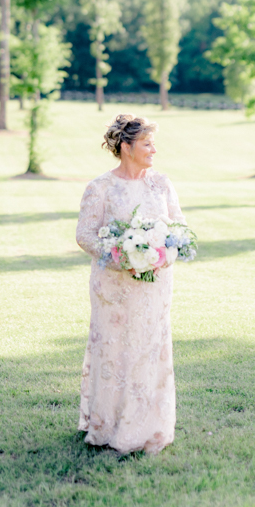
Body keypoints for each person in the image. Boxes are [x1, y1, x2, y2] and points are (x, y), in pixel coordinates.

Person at [76, 114, 184, 454]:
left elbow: (179, 230)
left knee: (150, 352)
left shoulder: (162, 184)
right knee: (115, 352)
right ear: (126, 147)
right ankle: (108, 427)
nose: (154, 150)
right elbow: (85, 235)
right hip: (113, 289)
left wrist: (160, 256)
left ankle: (150, 428)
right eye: (147, 144)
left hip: (154, 288)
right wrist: (121, 256)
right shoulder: (101, 187)